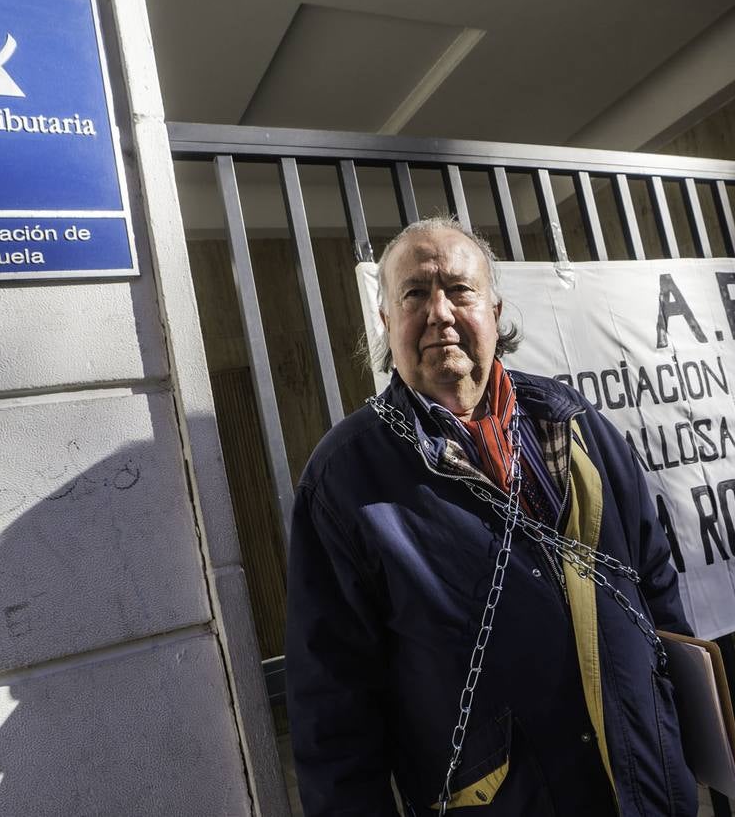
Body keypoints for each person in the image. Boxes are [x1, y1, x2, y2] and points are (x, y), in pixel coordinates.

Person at [285, 217, 696, 816]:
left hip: (644, 787)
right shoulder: (344, 480)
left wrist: (671, 729)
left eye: (459, 290)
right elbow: (332, 710)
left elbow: (654, 578)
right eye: (415, 294)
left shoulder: (573, 423)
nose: (440, 313)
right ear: (386, 323)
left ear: (495, 311)